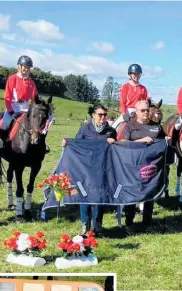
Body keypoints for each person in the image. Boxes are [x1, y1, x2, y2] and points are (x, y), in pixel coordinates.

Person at [62, 104, 117, 235]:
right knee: (85, 195)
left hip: (103, 169)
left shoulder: (110, 131)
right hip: (86, 169)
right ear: (93, 115)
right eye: (100, 115)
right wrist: (68, 142)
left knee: (100, 196)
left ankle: (98, 224)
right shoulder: (85, 129)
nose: (103, 117)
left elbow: (117, 149)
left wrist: (113, 141)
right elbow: (77, 144)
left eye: (105, 115)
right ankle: (85, 224)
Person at [120, 100, 168, 233]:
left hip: (151, 165)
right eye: (143, 110)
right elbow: (123, 142)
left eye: (147, 110)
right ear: (136, 112)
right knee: (132, 193)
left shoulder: (156, 127)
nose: (146, 112)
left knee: (150, 192)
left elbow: (164, 139)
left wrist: (167, 140)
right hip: (134, 165)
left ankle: (147, 223)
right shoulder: (130, 126)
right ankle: (129, 223)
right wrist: (141, 141)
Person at [0, 55, 49, 152]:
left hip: (26, 108)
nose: (26, 69)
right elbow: (7, 96)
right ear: (19, 66)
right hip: (13, 106)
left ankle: (42, 145)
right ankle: (2, 145)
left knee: (38, 124)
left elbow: (35, 98)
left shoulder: (31, 83)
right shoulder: (12, 78)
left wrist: (41, 105)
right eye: (25, 66)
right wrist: (10, 110)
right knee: (4, 124)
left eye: (28, 67)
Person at [111, 64, 149, 129]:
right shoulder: (125, 86)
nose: (137, 76)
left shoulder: (143, 88)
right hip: (128, 112)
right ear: (130, 74)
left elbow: (146, 102)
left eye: (138, 74)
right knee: (113, 126)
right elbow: (122, 102)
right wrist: (124, 113)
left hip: (140, 112)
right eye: (135, 74)